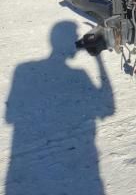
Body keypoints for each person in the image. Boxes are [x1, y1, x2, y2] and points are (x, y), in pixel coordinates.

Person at [5, 21, 114, 194]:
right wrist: (99, 61)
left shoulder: (22, 70)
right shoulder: (80, 75)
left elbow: (9, 116)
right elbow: (107, 108)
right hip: (84, 166)